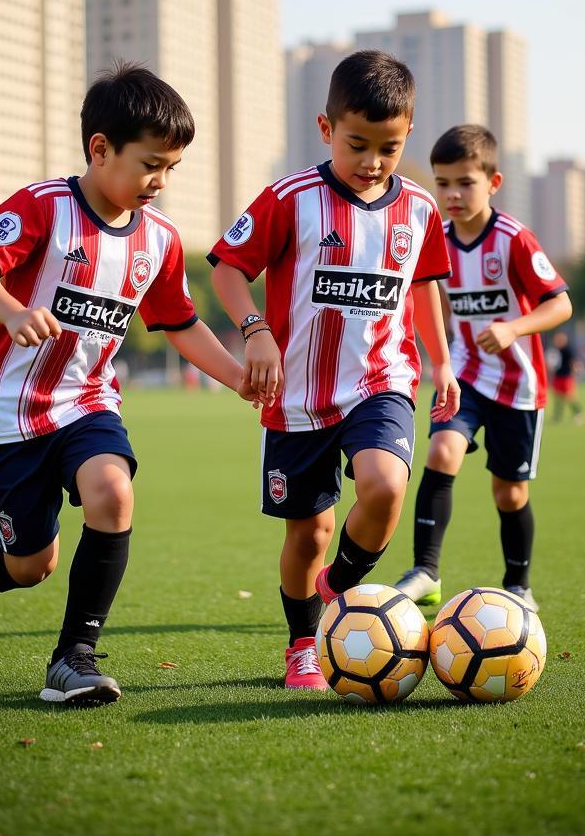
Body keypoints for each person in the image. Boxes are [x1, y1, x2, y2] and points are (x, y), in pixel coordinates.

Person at [0, 63, 254, 705]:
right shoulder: (45, 207)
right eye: (150, 165)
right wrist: (13, 310)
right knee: (31, 565)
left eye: (171, 169)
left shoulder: (159, 241)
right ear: (100, 148)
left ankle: (72, 658)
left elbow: (182, 323)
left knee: (114, 493)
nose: (159, 183)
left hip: (88, 404)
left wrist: (239, 378)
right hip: (9, 414)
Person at [208, 50, 460, 690]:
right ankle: (302, 643)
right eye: (358, 144)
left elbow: (424, 286)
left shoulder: (421, 210)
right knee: (310, 531)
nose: (373, 161)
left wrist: (441, 361)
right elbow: (229, 269)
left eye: (390, 147)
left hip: (383, 381)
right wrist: (255, 331)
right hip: (296, 397)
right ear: (326, 129)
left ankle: (339, 592)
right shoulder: (290, 199)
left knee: (383, 486)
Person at [392, 125, 572, 612]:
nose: (451, 194)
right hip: (465, 374)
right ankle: (425, 571)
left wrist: (514, 328)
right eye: (442, 182)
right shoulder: (438, 241)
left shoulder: (514, 239)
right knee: (441, 453)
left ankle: (519, 585)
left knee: (509, 493)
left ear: (493, 182)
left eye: (464, 183)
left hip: (518, 386)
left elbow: (560, 305)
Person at [549, 331, 585, 424]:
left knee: (569, 396)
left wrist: (574, 374)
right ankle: (557, 417)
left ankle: (579, 413)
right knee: (558, 397)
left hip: (566, 376)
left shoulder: (568, 350)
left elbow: (574, 362)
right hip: (559, 376)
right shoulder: (557, 350)